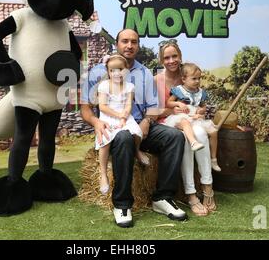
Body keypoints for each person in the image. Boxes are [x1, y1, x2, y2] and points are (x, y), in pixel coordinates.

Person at [81, 29, 187, 228]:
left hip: (140, 125)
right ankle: (122, 204)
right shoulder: (97, 72)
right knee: (123, 137)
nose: (129, 45)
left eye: (134, 42)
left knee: (175, 137)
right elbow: (85, 109)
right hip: (114, 130)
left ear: (138, 46)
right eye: (125, 41)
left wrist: (146, 121)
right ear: (117, 44)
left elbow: (154, 108)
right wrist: (96, 123)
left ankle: (162, 198)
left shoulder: (144, 73)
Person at [155, 39, 216, 217]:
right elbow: (154, 111)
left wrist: (200, 111)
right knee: (184, 138)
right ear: (161, 60)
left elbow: (200, 103)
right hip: (169, 121)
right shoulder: (157, 80)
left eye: (175, 56)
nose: (171, 60)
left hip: (191, 121)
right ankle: (191, 194)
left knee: (199, 134)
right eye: (167, 57)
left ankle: (207, 188)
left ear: (180, 56)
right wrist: (173, 108)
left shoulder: (189, 75)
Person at [95, 53, 149, 195]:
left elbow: (128, 105)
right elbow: (103, 107)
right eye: (112, 70)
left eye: (120, 69)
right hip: (108, 116)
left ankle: (136, 150)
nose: (116, 73)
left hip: (125, 116)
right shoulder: (104, 86)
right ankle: (103, 174)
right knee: (104, 141)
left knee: (136, 132)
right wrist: (118, 115)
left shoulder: (129, 86)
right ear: (108, 72)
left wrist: (124, 116)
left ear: (126, 70)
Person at [166, 63, 221, 172]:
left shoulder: (200, 92)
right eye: (194, 78)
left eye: (199, 78)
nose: (197, 81)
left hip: (196, 115)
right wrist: (179, 104)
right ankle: (193, 142)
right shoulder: (179, 90)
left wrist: (202, 110)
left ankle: (213, 159)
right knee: (185, 123)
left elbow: (204, 106)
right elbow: (169, 103)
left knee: (214, 132)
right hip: (185, 114)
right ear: (184, 79)